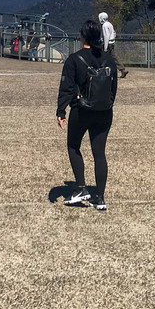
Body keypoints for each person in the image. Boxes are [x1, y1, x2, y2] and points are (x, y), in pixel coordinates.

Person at [56, 19, 118, 212]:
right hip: (104, 112)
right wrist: (107, 104)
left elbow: (66, 87)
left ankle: (81, 188)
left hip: (81, 110)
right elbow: (113, 88)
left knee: (74, 146)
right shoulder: (109, 60)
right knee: (99, 153)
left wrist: (61, 111)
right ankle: (99, 197)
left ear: (82, 36)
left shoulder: (74, 59)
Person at [97, 12, 128, 78]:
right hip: (111, 43)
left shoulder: (104, 25)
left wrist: (105, 47)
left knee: (103, 57)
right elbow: (114, 33)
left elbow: (106, 36)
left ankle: (102, 71)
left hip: (107, 44)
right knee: (113, 57)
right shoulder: (109, 24)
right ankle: (122, 69)